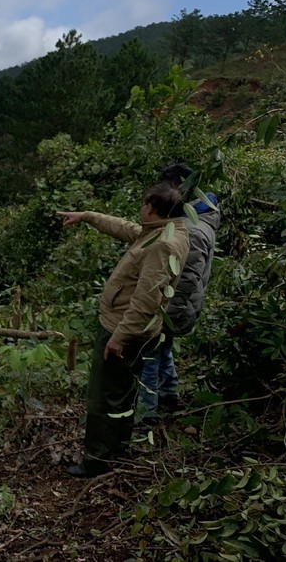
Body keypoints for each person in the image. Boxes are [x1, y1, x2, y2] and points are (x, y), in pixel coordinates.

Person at [58, 183, 190, 477]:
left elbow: (146, 300)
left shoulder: (162, 245)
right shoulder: (167, 231)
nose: (140, 210)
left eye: (144, 205)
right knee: (123, 391)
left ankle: (97, 460)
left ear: (152, 208)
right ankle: (118, 447)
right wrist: (88, 216)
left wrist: (119, 337)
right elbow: (125, 228)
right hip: (134, 330)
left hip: (123, 330)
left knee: (103, 396)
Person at [137, 164, 221, 420]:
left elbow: (184, 280)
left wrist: (162, 315)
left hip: (173, 307)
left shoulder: (192, 230)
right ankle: (169, 394)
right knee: (163, 348)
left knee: (149, 355)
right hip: (178, 306)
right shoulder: (197, 218)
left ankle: (146, 412)